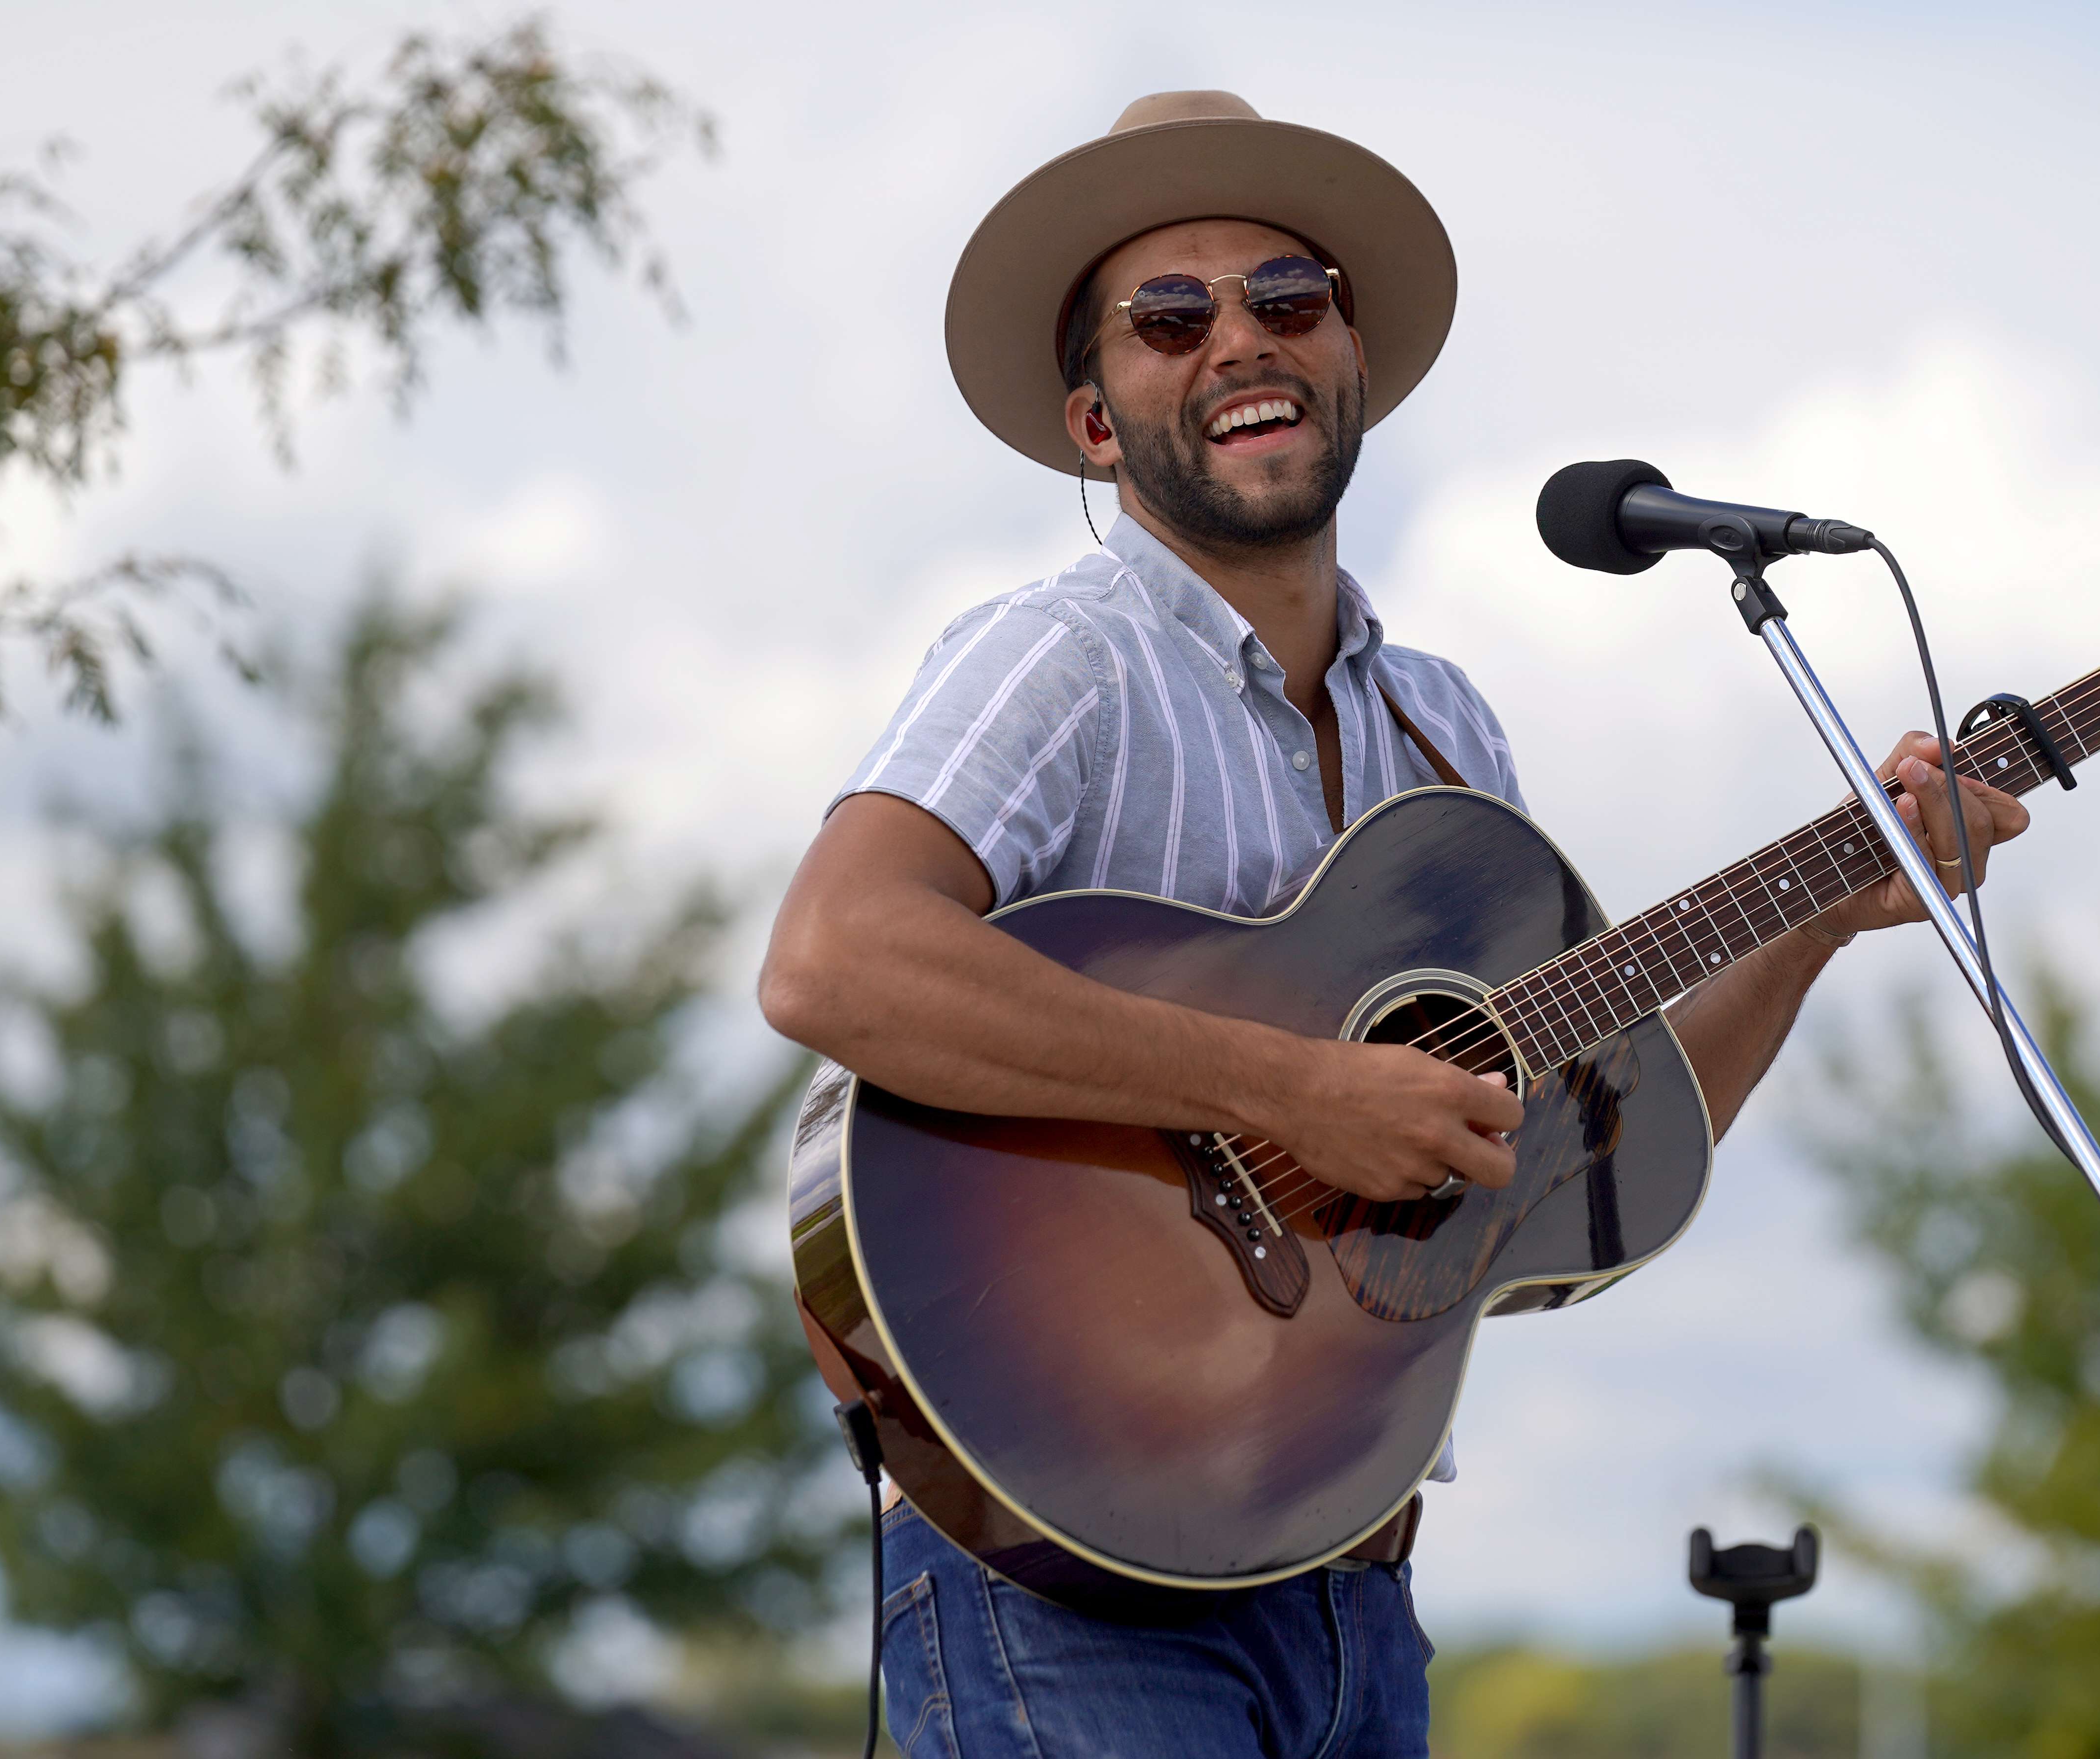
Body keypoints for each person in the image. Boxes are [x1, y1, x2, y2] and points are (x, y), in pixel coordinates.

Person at [759, 90, 2028, 1759]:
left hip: (1355, 1589)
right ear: (1092, 420)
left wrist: (1820, 922)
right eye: (1170, 316)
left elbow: (1592, 1160)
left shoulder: (1449, 739)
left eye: (1290, 298)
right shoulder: (1064, 663)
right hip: (1061, 1595)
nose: (1240, 340)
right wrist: (1287, 1093)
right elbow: (834, 959)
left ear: (1351, 358)